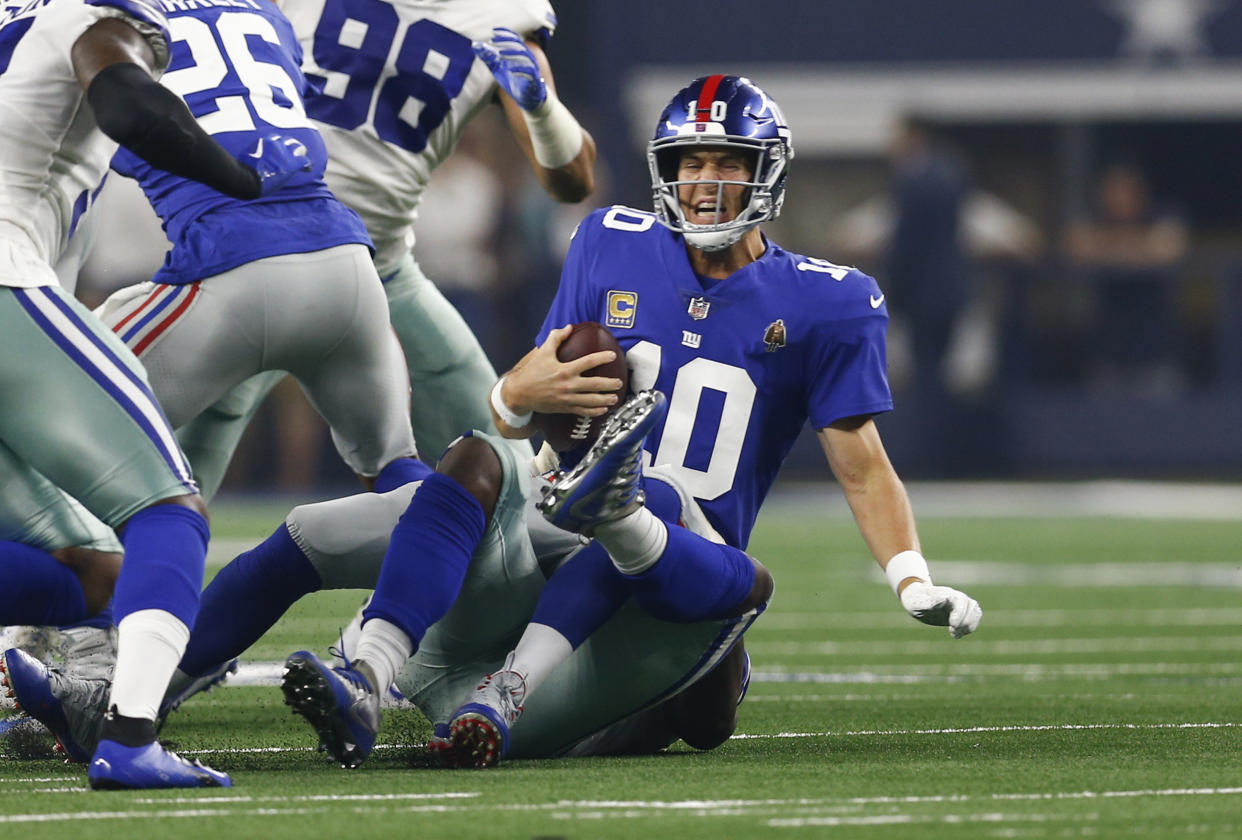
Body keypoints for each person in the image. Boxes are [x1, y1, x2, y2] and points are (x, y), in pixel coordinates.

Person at [0, 0, 311, 789]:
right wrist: (239, 176)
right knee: (168, 510)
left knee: (94, 571)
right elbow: (127, 98)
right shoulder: (85, 15)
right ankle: (131, 737)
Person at [173, 0, 597, 501]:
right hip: (262, 247)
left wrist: (541, 107)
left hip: (381, 264)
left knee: (505, 466)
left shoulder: (500, 16)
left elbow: (574, 181)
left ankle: (500, 570)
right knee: (172, 475)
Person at [1063, 161, 1188, 395]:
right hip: (1108, 354)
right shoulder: (1094, 217)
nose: (1120, 198)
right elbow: (1078, 245)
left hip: (1156, 353)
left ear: (1139, 192)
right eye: (1113, 190)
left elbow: (1168, 248)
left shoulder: (1162, 212)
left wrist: (1108, 250)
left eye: (1126, 189)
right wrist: (1138, 248)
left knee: (1162, 426)